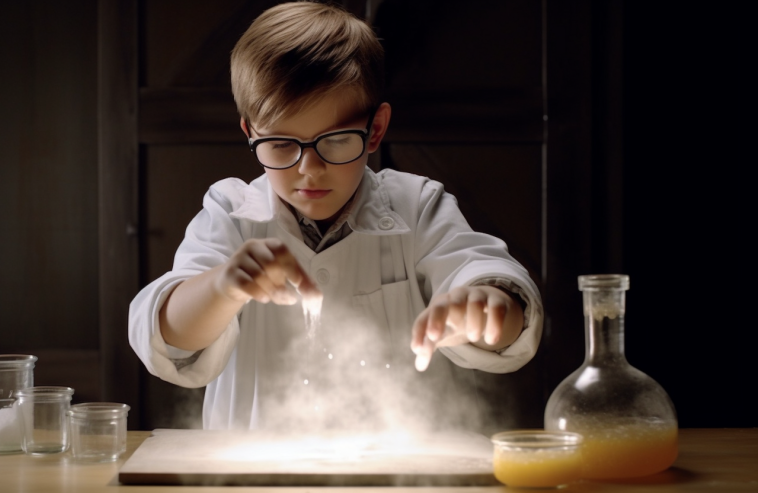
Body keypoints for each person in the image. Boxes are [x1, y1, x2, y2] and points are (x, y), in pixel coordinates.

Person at [129, 1, 543, 432]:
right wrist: (220, 286)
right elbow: (167, 337)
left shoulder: (417, 205)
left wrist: (487, 303)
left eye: (337, 140)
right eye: (282, 144)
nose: (309, 168)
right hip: (254, 472)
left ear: (375, 130)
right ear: (250, 132)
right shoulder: (230, 213)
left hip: (397, 471)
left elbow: (487, 278)